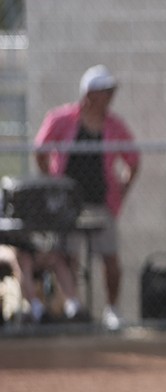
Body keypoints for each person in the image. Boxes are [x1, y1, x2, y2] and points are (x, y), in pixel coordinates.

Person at [34, 64, 140, 331]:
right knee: (68, 257)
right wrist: (54, 184)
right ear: (89, 93)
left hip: (101, 203)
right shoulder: (62, 118)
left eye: (111, 91)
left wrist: (122, 191)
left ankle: (112, 310)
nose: (110, 96)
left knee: (110, 259)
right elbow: (41, 149)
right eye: (104, 91)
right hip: (68, 205)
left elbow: (133, 160)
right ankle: (74, 308)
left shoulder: (114, 126)